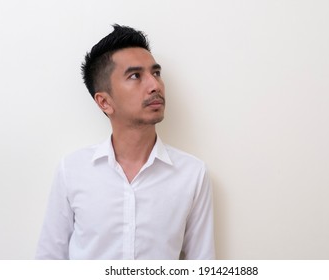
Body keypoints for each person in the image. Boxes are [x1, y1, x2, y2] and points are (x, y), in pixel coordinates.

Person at [35, 24, 215, 260]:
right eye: (135, 76)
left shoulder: (192, 174)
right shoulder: (72, 170)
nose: (155, 85)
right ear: (104, 102)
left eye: (156, 73)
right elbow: (49, 261)